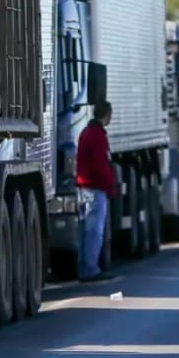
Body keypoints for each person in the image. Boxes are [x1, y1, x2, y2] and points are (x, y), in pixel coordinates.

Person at [77, 100, 118, 282]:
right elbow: (101, 165)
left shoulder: (86, 132)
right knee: (95, 231)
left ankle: (85, 267)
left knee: (86, 231)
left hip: (85, 188)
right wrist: (110, 185)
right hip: (95, 189)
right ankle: (91, 269)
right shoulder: (97, 135)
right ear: (106, 114)